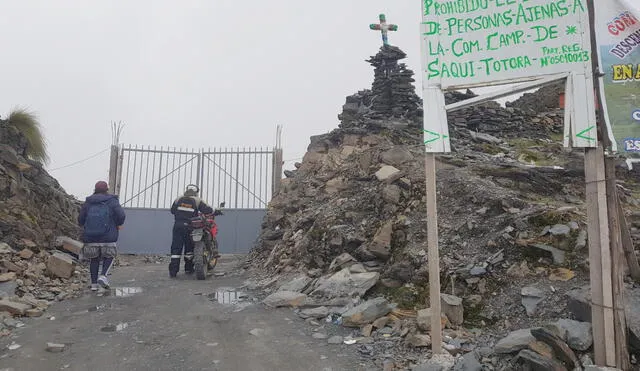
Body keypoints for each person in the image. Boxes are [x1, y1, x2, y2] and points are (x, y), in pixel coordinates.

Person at [78, 181, 126, 291]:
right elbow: (121, 215)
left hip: (91, 237)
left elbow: (80, 219)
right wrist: (118, 224)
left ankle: (94, 284)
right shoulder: (112, 201)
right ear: (107, 189)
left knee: (94, 259)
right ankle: (103, 276)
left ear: (95, 189)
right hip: (108, 236)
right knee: (109, 256)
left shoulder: (88, 202)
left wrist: (87, 227)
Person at [169, 185, 213, 278]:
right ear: (196, 192)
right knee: (189, 248)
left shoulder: (178, 199)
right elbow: (208, 210)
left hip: (177, 226)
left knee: (176, 249)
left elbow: (172, 211)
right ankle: (188, 269)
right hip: (190, 227)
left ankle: (173, 272)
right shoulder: (197, 200)